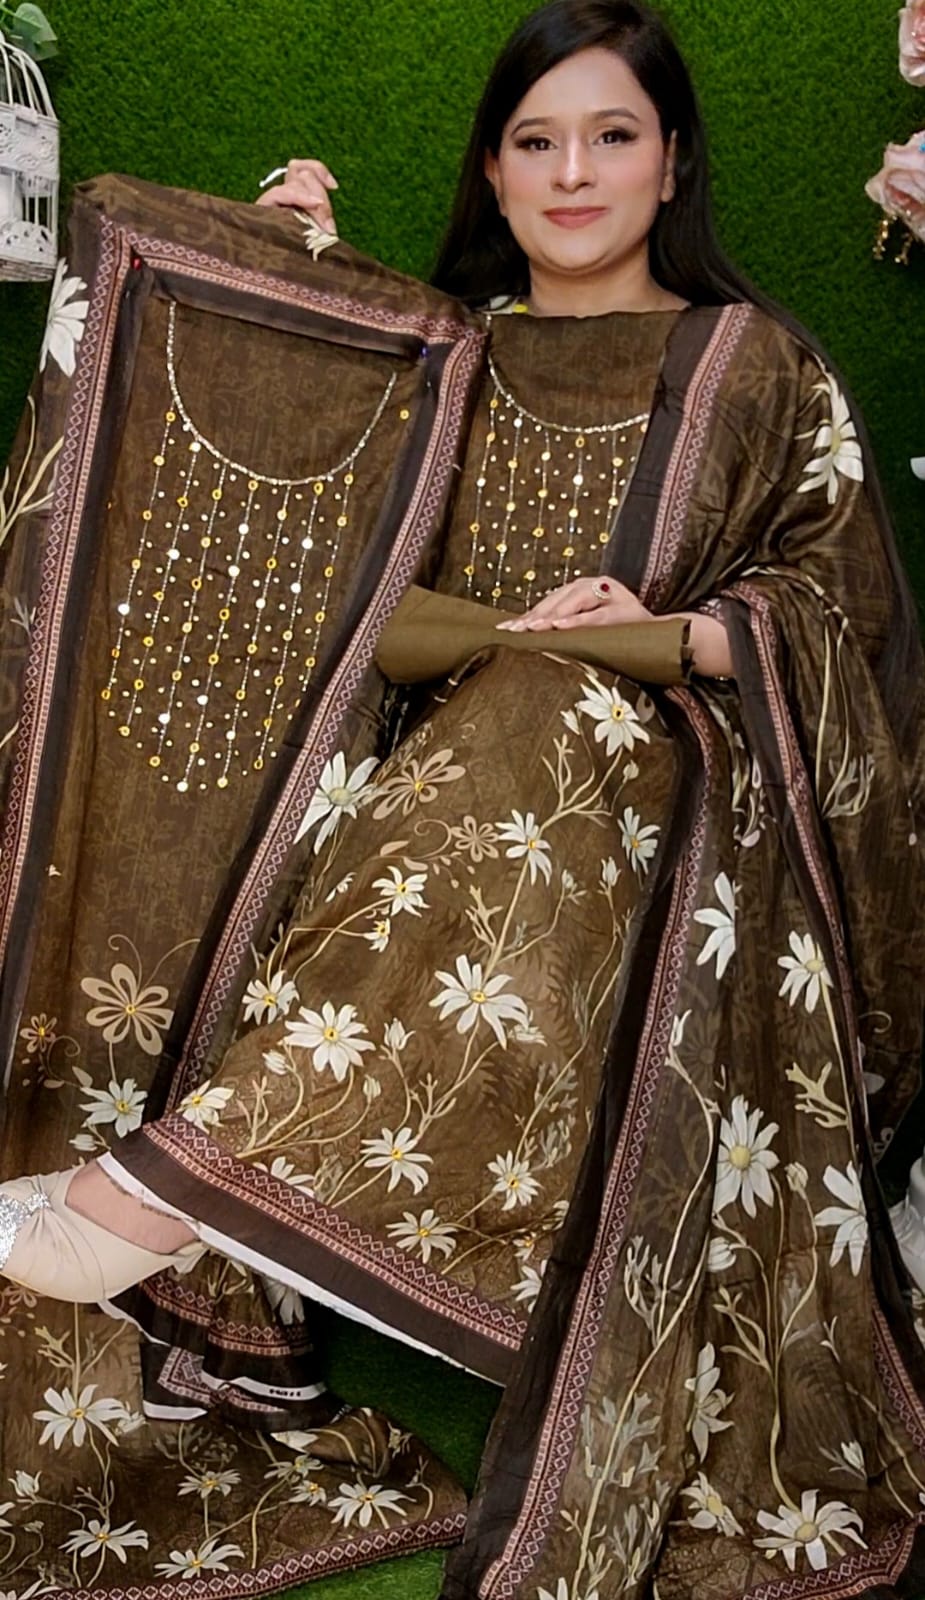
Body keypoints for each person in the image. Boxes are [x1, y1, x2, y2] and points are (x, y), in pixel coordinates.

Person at [1, 2, 924, 1597]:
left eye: (610, 136)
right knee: (298, 778)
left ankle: (154, 1198)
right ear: (491, 171)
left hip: (663, 789)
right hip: (410, 768)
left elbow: (842, 614)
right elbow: (315, 560)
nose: (571, 173)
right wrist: (287, 290)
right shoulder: (446, 354)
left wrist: (675, 631)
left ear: (671, 163)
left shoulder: (752, 363)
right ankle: (212, 1281)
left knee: (549, 704)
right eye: (533, 141)